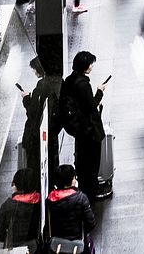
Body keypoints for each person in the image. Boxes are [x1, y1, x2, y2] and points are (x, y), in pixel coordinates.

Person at [58, 51, 106, 199]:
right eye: (90, 63)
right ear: (85, 66)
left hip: (77, 128)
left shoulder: (68, 80)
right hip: (88, 129)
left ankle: (85, 186)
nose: (92, 66)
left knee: (82, 159)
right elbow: (91, 106)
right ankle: (92, 190)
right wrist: (99, 92)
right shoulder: (83, 84)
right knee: (92, 162)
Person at [47, 165, 95, 250]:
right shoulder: (81, 198)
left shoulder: (50, 199)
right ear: (71, 180)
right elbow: (91, 223)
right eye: (74, 178)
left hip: (56, 246)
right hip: (77, 245)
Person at [0, 168, 40, 250]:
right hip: (34, 248)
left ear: (16, 186)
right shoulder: (41, 201)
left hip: (14, 249)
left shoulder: (8, 205)